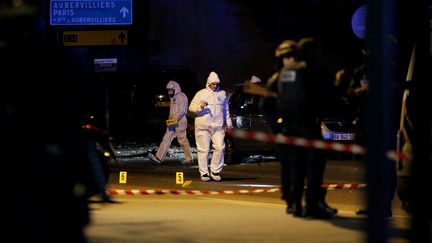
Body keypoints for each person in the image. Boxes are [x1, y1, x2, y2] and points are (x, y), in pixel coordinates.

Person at [260, 38, 336, 219]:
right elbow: (267, 106)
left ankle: (301, 202)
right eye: (287, 57)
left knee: (300, 165)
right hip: (298, 128)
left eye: (292, 56)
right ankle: (299, 202)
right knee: (301, 165)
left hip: (294, 128)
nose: (290, 60)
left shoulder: (289, 76)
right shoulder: (289, 76)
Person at [188, 71, 233, 182]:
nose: (215, 86)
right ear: (208, 83)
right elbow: (191, 108)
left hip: (218, 126)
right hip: (203, 126)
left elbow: (226, 110)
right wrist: (200, 106)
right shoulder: (200, 93)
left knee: (220, 147)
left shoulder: (222, 94)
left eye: (216, 84)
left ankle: (215, 171)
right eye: (213, 84)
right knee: (204, 150)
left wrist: (229, 123)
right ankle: (204, 173)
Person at [148, 80, 194, 164]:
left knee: (182, 140)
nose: (169, 91)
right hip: (172, 122)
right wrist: (170, 120)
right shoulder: (172, 97)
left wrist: (173, 119)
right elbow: (172, 111)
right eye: (168, 90)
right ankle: (158, 158)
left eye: (170, 90)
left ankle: (189, 159)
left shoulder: (182, 96)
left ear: (175, 89)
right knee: (166, 139)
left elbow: (182, 111)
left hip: (180, 122)